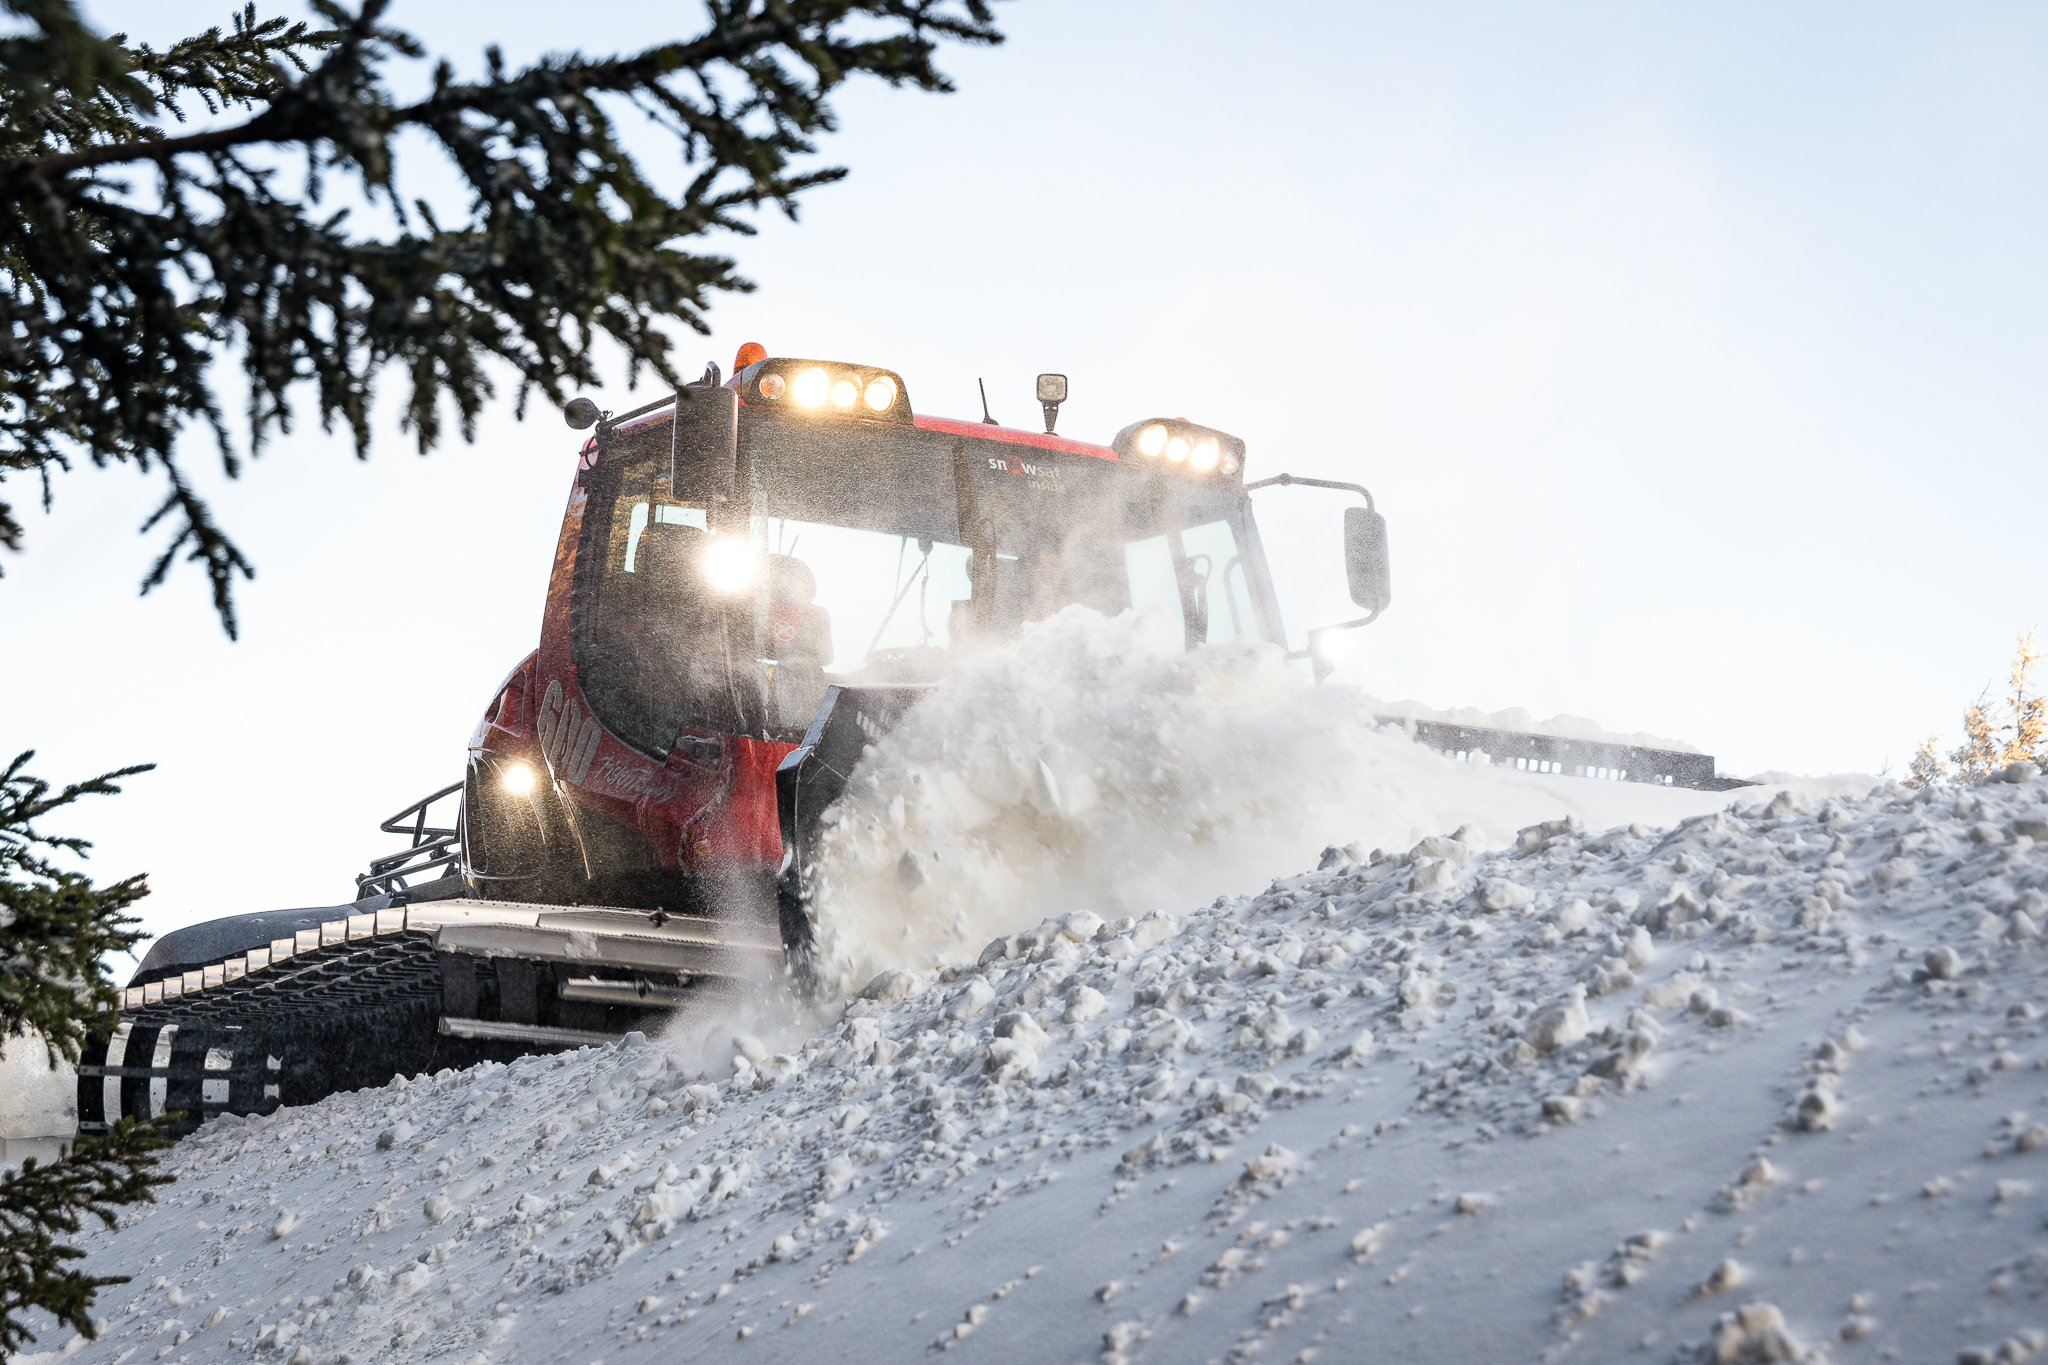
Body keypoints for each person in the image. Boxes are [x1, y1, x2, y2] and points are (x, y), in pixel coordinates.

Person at [766, 553, 832, 725]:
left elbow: (826, 657)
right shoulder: (818, 614)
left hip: (801, 680)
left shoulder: (759, 609)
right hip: (808, 684)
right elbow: (826, 656)